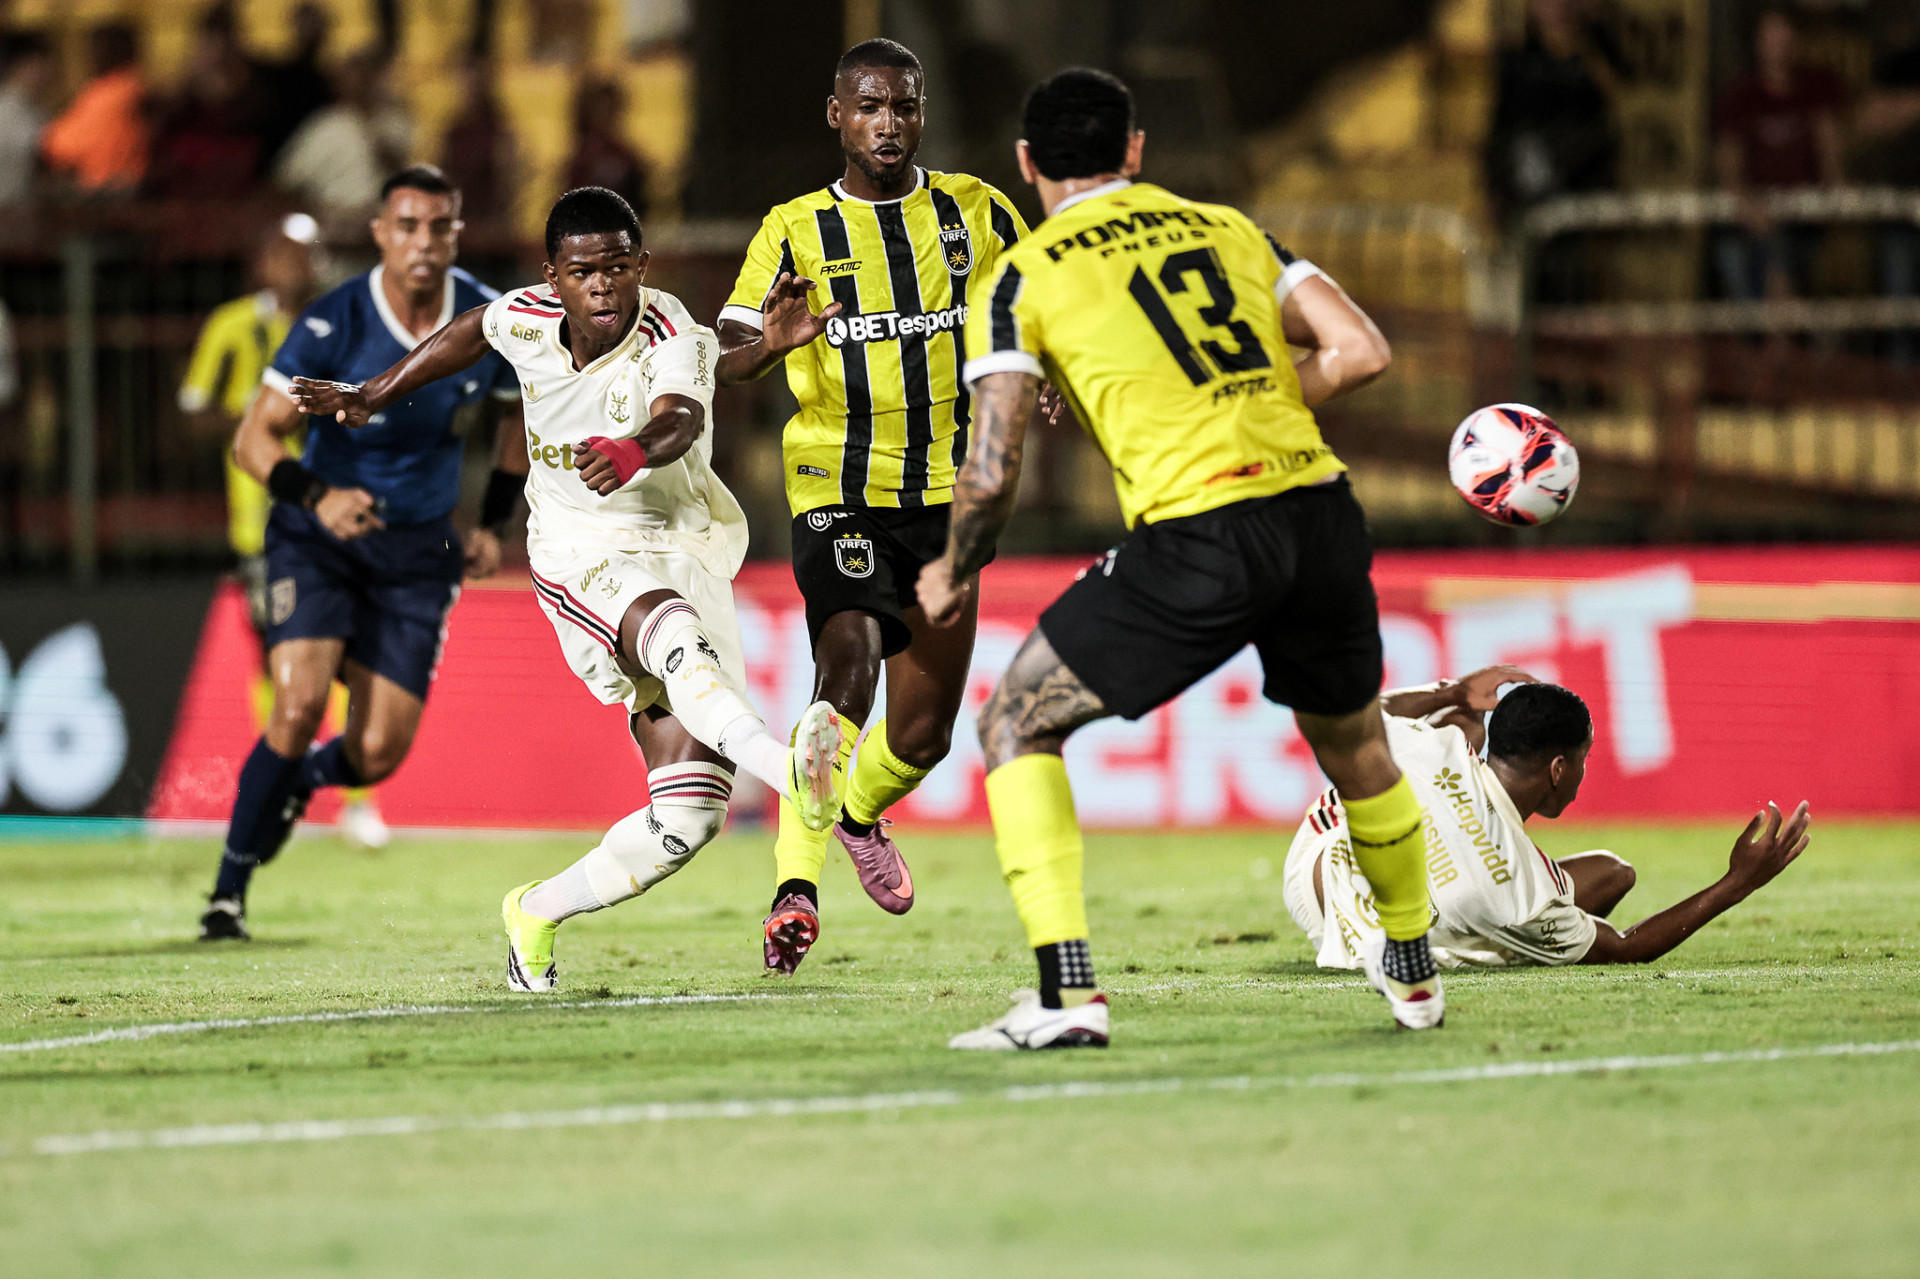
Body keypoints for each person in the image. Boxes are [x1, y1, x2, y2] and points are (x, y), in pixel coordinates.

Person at [917, 67, 1437, 1049]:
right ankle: (1411, 965)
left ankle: (1066, 998)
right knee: (1356, 741)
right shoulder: (1231, 230)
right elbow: (1359, 349)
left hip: (1203, 528)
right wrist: (1254, 407)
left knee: (1015, 722)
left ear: (1027, 164)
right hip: (1319, 509)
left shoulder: (1020, 276)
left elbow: (991, 470)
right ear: (1137, 151)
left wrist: (953, 565)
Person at [288, 186, 846, 992]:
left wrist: (631, 452)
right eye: (584, 270)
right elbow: (473, 331)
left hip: (681, 546)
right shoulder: (523, 317)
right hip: (577, 549)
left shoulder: (673, 329)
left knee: (687, 820)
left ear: (641, 266)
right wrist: (374, 394)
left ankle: (535, 911)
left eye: (619, 267)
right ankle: (791, 768)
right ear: (554, 277)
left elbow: (680, 418)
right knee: (672, 633)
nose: (603, 286)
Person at [715, 38, 1032, 975]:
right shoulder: (792, 229)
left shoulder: (976, 211)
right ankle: (793, 889)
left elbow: (1046, 303)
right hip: (835, 488)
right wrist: (766, 347)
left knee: (926, 731)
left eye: (902, 105)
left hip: (950, 497)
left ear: (920, 112)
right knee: (844, 660)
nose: (887, 123)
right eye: (868, 107)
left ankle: (857, 810)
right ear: (836, 116)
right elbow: (721, 360)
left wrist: (1045, 368)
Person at [197, 166, 524, 941]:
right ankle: (227, 891)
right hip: (320, 541)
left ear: (457, 233)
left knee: (377, 751)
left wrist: (493, 524)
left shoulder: (490, 320)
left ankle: (298, 782)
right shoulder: (335, 319)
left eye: (438, 226)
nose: (422, 242)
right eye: (406, 225)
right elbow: (253, 436)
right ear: (380, 233)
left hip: (418, 551)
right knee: (300, 700)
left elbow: (514, 428)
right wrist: (318, 497)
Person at [1284, 673, 1812, 968]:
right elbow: (1628, 947)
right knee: (1561, 897)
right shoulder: (1523, 899)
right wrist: (1738, 881)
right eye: (1584, 758)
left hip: (1316, 862)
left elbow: (1357, 711)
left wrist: (1449, 693)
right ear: (1559, 768)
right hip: (1378, 925)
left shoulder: (1436, 744)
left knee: (1614, 871)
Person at [178, 215, 393, 851]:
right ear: (262, 261)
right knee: (279, 662)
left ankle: (358, 801)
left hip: (338, 512)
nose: (295, 265)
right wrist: (260, 422)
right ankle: (283, 788)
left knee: (352, 658)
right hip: (261, 522)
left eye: (306, 254)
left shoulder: (340, 326)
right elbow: (190, 416)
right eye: (284, 252)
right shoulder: (230, 325)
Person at [1712, 8, 1845, 302]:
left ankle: (1779, 336)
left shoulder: (1817, 86)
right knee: (1735, 251)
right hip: (1755, 213)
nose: (1778, 44)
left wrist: (1835, 189)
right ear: (1757, 42)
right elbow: (1728, 161)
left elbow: (1829, 145)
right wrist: (1744, 201)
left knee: (1782, 245)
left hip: (1803, 214)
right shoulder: (1740, 96)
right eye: (1770, 35)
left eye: (1784, 34)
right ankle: (1765, 333)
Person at [274, 49, 414, 219]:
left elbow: (407, 173)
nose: (357, 82)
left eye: (364, 75)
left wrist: (369, 124)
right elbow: (286, 181)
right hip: (331, 220)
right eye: (351, 76)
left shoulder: (395, 122)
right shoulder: (324, 125)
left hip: (380, 221)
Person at [39, 22, 148, 195]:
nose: (93, 55)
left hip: (108, 191)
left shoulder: (118, 91)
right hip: (108, 187)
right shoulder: (119, 87)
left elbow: (61, 146)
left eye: (101, 47)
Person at [562, 76, 647, 221]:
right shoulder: (584, 155)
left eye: (611, 108)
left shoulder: (623, 153)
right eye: (601, 109)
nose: (607, 115)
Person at [0, 31, 53, 207]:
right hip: (10, 211)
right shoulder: (8, 111)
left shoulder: (34, 110)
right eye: (42, 64)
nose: (49, 73)